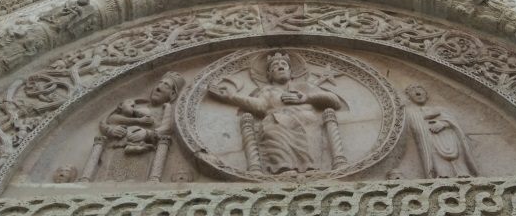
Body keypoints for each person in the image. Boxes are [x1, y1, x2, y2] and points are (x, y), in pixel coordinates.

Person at [208, 52, 342, 174]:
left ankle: (310, 168)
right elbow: (260, 106)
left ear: (291, 72)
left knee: (306, 127)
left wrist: (305, 98)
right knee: (273, 128)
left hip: (306, 123)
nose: (280, 67)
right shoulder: (267, 91)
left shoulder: (304, 87)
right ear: (269, 74)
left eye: (284, 64)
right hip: (277, 126)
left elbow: (335, 101)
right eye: (275, 66)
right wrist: (232, 97)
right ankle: (284, 169)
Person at [405, 84, 479, 178]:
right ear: (409, 97)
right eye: (412, 90)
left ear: (427, 94)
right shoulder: (411, 112)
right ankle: (443, 175)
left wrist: (444, 124)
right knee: (436, 155)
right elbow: (413, 123)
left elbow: (453, 122)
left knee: (457, 154)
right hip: (431, 140)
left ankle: (463, 174)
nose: (417, 92)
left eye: (419, 88)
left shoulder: (441, 109)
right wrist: (426, 115)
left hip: (450, 138)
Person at [100, 72, 185, 154]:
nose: (158, 87)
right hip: (119, 150)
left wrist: (147, 134)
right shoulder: (136, 105)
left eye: (166, 85)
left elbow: (166, 129)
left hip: (146, 153)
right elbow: (112, 119)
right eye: (159, 83)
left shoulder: (166, 110)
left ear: (172, 94)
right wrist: (112, 130)